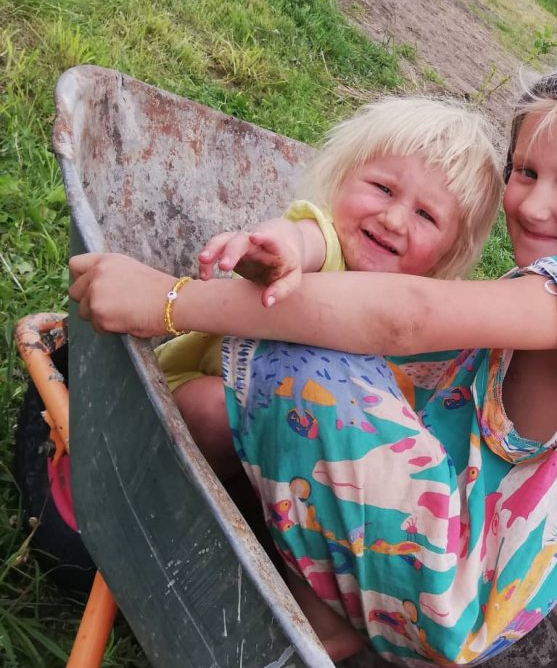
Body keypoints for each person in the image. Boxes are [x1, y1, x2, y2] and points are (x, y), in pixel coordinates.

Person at [70, 54, 557, 668]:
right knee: (410, 372)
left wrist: (171, 300)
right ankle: (321, 618)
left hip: (427, 573)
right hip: (455, 608)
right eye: (526, 170)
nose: (533, 205)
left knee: (314, 343)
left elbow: (406, 317)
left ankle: (150, 512)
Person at [154, 96, 504, 473]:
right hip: (188, 393)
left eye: (425, 215)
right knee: (216, 411)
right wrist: (280, 250)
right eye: (383, 189)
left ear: (446, 254)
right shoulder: (329, 248)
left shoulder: (417, 318)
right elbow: (301, 239)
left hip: (293, 454)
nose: (394, 219)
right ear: (343, 178)